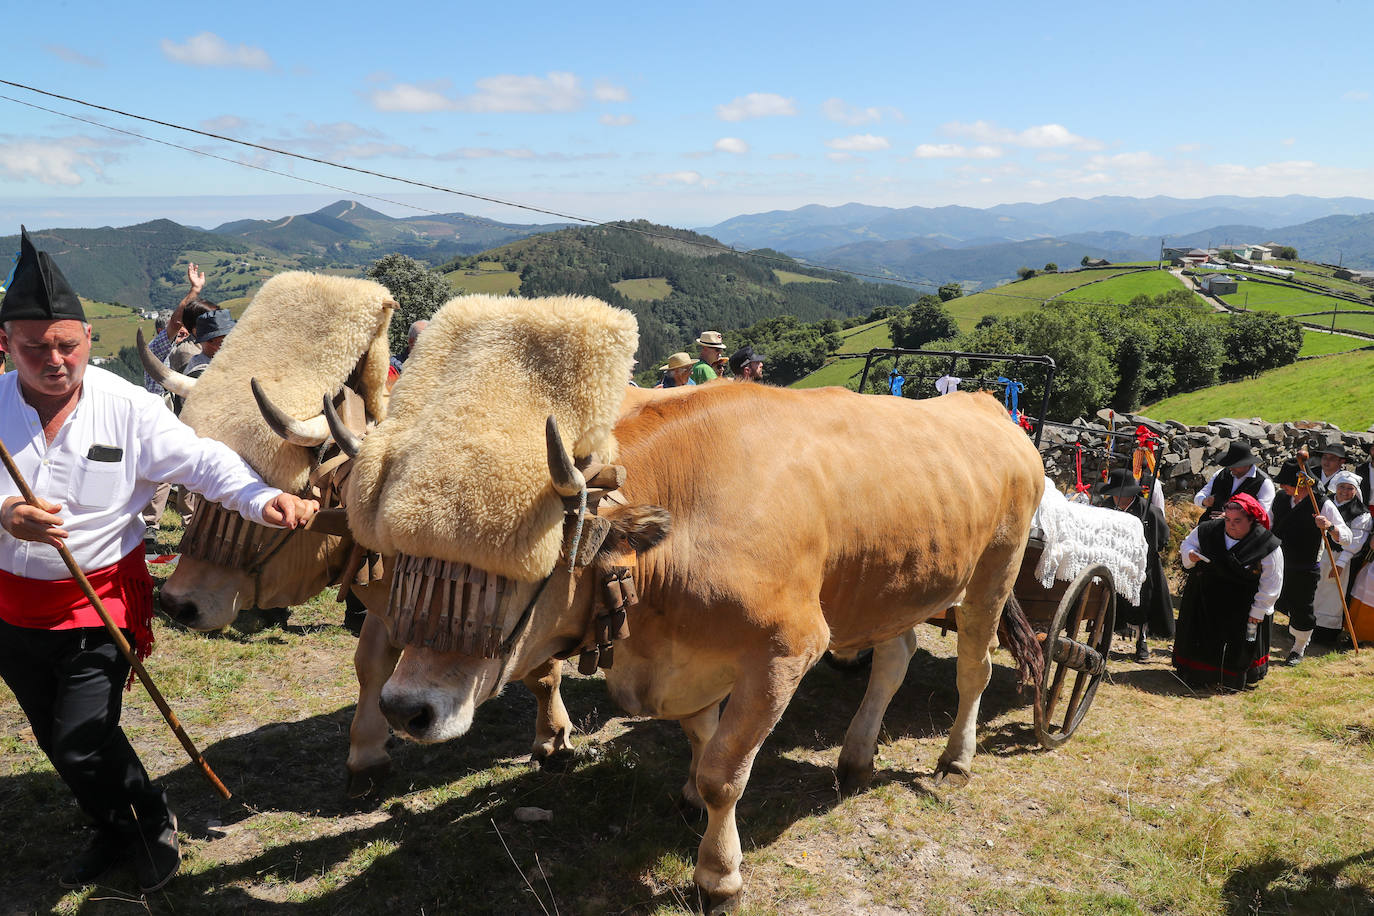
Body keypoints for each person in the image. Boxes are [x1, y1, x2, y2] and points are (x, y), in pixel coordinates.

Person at [0, 228, 317, 892]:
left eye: (67, 345)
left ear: (88, 337)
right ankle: (111, 826)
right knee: (55, 738)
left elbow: (203, 464)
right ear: (6, 345)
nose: (55, 361)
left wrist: (262, 499)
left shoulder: (130, 408)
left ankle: (149, 822)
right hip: (11, 608)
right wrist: (4, 513)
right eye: (35, 349)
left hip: (99, 602)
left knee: (82, 736)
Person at [1173, 494, 1283, 690]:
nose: (1231, 525)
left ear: (1251, 520)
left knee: (1240, 645)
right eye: (1228, 519)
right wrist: (1190, 555)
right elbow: (1187, 544)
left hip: (1242, 605)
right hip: (1205, 600)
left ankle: (1234, 677)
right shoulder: (1208, 530)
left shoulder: (1266, 543)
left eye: (1237, 521)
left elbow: (1272, 581)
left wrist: (1259, 610)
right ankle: (1199, 673)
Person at [1270, 459, 1349, 665]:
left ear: (1302, 484)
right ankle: (1258, 643)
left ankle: (1298, 649)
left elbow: (1347, 537)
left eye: (1286, 482)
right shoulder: (1280, 498)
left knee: (1301, 609)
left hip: (1304, 567)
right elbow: (1267, 523)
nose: (1282, 486)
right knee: (1267, 601)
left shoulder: (1322, 503)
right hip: (1275, 562)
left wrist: (1330, 526)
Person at [1097, 468, 1173, 662]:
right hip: (1112, 562)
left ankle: (1141, 640)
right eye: (1114, 494)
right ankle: (1101, 639)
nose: (1116, 498)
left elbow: (1163, 538)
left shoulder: (1149, 511)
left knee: (1143, 602)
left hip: (1142, 565)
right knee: (1107, 599)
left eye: (1120, 494)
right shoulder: (1105, 507)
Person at [1311, 470, 1370, 646]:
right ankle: (1304, 628)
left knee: (1332, 596)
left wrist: (1341, 563)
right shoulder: (1325, 503)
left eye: (1349, 488)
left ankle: (1325, 634)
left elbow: (1356, 542)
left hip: (1338, 557)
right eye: (1341, 487)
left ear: (1356, 491)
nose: (1344, 491)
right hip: (1318, 553)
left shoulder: (1361, 513)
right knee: (1313, 591)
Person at [1193, 441, 1274, 520]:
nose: (1231, 468)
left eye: (1235, 465)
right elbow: (1199, 497)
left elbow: (1265, 517)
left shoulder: (1264, 483)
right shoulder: (1221, 474)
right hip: (1209, 525)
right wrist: (1205, 501)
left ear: (1247, 464)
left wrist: (1233, 517)